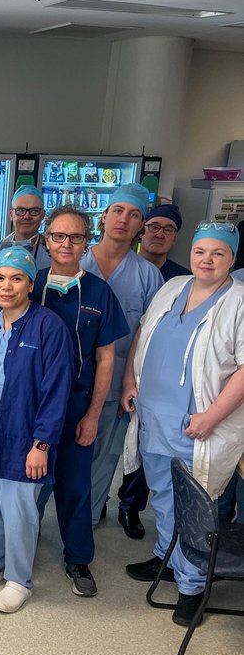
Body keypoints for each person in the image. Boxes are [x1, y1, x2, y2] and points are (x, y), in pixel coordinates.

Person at [122, 222, 244, 624]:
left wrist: (211, 416)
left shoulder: (239, 301)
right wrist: (129, 381)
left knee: (195, 506)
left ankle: (193, 585)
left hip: (198, 423)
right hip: (154, 414)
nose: (206, 260)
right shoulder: (173, 287)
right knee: (160, 492)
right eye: (200, 252)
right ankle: (167, 558)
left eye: (218, 253)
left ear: (233, 258)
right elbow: (143, 331)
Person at [0, 247, 73, 613]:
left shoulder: (48, 326)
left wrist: (42, 444)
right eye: (0, 278)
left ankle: (18, 579)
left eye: (16, 278)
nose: (6, 286)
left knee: (20, 510)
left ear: (30, 282)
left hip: (24, 438)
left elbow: (57, 390)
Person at [32, 207, 128, 597]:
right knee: (28, 485)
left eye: (75, 237)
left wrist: (92, 415)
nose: (66, 244)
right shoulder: (29, 284)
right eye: (58, 236)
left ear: (87, 241)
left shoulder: (99, 292)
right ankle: (17, 549)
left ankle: (78, 557)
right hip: (33, 408)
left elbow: (106, 359)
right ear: (45, 239)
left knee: (74, 486)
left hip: (76, 407)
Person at [81, 183, 162, 527]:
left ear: (141, 226)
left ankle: (84, 524)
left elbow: (149, 338)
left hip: (117, 384)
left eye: (133, 215)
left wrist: (134, 383)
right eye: (118, 211)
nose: (123, 220)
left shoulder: (148, 276)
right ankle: (35, 524)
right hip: (70, 380)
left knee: (103, 458)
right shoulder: (74, 260)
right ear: (104, 216)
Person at [117, 202, 191, 534]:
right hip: (119, 366)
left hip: (160, 376)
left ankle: (130, 504)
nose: (159, 234)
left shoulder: (183, 279)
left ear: (175, 237)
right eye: (154, 226)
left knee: (148, 443)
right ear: (141, 230)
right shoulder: (122, 266)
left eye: (168, 229)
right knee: (113, 445)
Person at [0, 185, 51, 268]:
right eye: (21, 210)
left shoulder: (52, 252)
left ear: (43, 215)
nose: (27, 216)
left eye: (34, 211)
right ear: (11, 215)